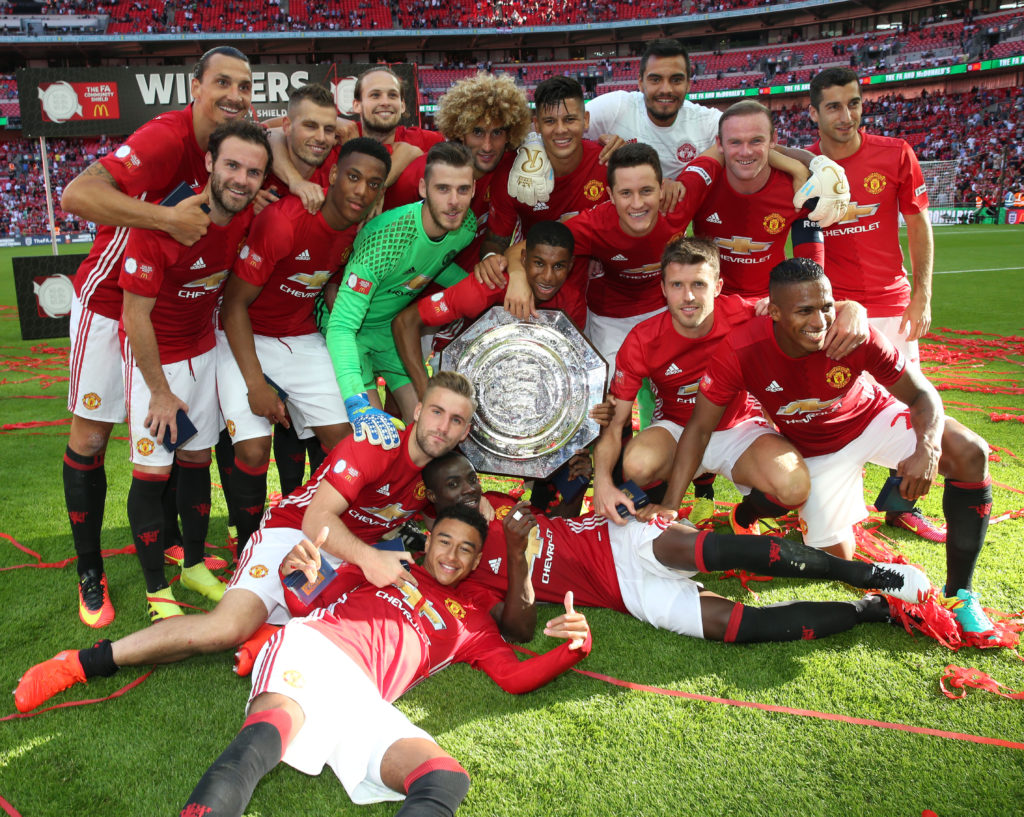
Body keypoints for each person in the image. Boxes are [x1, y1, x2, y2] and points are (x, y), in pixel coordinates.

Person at [13, 372, 479, 714]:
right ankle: (81, 662)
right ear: (418, 411)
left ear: (466, 431)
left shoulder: (444, 478)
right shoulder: (377, 443)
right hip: (297, 533)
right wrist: (371, 559)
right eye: (436, 412)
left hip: (343, 557)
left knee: (373, 620)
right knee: (223, 630)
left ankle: (269, 635)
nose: (443, 426)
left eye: (457, 420)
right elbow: (319, 518)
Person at [647, 258, 996, 636]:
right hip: (816, 453)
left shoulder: (851, 333)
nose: (820, 322)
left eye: (827, 306)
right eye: (805, 311)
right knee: (839, 560)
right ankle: (748, 514)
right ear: (775, 313)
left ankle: (960, 594)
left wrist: (927, 448)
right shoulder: (742, 348)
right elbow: (699, 429)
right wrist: (670, 504)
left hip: (872, 419)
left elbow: (923, 394)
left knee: (969, 451)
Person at [179, 504, 591, 817]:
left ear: (477, 561)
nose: (451, 555)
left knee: (444, 778)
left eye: (466, 549)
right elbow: (314, 599)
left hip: (363, 697)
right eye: (444, 541)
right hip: (316, 649)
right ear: (428, 541)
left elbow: (514, 676)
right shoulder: (386, 563)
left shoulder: (475, 623)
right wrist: (296, 576)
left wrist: (574, 649)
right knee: (262, 742)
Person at [58, 45, 252, 629]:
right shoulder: (168, 139)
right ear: (194, 88)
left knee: (174, 433)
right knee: (91, 440)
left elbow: (278, 132)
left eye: (245, 87)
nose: (235, 96)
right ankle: (89, 570)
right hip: (111, 306)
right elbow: (75, 196)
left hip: (169, 319)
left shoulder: (229, 148)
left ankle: (172, 543)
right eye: (223, 83)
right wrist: (167, 218)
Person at [424, 453, 930, 645]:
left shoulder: (494, 500)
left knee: (720, 552)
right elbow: (520, 631)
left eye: (470, 479)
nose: (469, 490)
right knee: (742, 628)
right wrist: (517, 556)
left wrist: (608, 494)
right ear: (433, 507)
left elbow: (559, 507)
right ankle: (871, 610)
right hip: (625, 594)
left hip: (618, 537)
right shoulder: (455, 564)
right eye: (454, 487)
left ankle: (868, 574)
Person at [591, 237, 866, 534]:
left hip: (739, 427)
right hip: (677, 430)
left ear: (718, 287)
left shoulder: (744, 314)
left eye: (699, 284)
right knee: (638, 464)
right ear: (663, 289)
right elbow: (616, 421)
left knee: (794, 486)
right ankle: (656, 521)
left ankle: (744, 515)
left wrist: (851, 307)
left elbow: (804, 312)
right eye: (676, 285)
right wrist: (603, 482)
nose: (688, 297)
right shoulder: (643, 340)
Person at [118, 119, 270, 620]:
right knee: (153, 471)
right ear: (208, 163)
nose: (241, 179)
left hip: (202, 351)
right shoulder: (164, 222)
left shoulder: (246, 218)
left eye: (253, 171)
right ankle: (156, 587)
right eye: (231, 165)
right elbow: (134, 315)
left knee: (196, 461)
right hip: (154, 362)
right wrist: (160, 392)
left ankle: (196, 563)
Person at [218, 138, 392, 551]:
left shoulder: (358, 229)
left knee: (350, 440)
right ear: (332, 176)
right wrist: (257, 384)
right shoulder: (284, 222)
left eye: (372, 184)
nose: (361, 191)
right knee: (255, 449)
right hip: (243, 333)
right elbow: (233, 306)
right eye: (352, 177)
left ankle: (331, 533)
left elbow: (326, 278)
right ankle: (248, 544)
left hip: (299, 336)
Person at [807, 67, 944, 542]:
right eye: (833, 106)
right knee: (839, 402)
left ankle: (901, 504)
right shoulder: (805, 169)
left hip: (891, 302)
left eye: (854, 104)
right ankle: (840, 505)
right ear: (813, 112)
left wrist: (922, 294)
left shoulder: (895, 153)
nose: (846, 116)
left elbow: (919, 223)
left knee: (907, 402)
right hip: (836, 311)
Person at [326, 141, 477, 432]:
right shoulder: (385, 238)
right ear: (423, 188)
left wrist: (482, 287)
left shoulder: (465, 227)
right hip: (349, 332)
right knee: (373, 435)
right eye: (442, 188)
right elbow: (341, 326)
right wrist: (355, 402)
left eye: (463, 190)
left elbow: (434, 265)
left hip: (388, 332)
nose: (454, 201)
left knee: (425, 427)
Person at [391, 220, 580, 401]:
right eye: (539, 263)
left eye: (558, 266)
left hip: (520, 388)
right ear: (523, 258)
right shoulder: (487, 287)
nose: (547, 277)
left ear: (570, 266)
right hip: (459, 374)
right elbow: (405, 322)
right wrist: (425, 392)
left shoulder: (572, 301)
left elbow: (569, 366)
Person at [383, 71, 532, 271]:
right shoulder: (422, 174)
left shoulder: (510, 168)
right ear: (461, 132)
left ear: (510, 135)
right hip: (408, 289)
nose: (487, 146)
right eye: (477, 132)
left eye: (497, 132)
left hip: (466, 285)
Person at [686, 100, 824, 299]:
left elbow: (812, 261)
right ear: (719, 144)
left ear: (773, 139)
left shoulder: (796, 187)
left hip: (770, 303)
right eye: (735, 142)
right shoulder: (702, 185)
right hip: (711, 302)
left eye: (756, 141)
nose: (745, 152)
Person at [583, 38, 721, 179]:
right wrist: (594, 145)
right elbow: (564, 129)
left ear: (688, 84)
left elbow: (741, 135)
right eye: (655, 80)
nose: (666, 89)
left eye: (676, 80)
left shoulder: (707, 122)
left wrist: (690, 179)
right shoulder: (616, 107)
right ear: (640, 83)